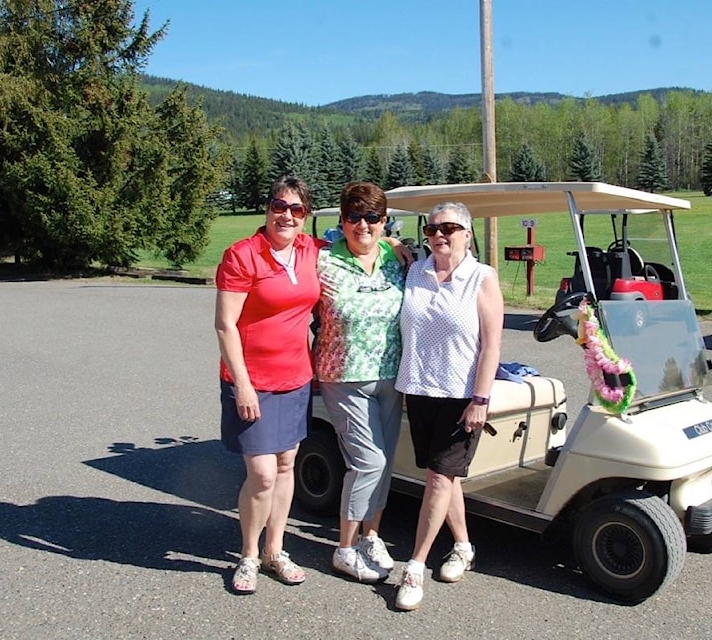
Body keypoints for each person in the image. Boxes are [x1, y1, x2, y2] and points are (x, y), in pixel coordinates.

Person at [214, 175, 327, 594]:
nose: (287, 215)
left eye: (296, 210)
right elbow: (225, 325)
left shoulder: (311, 251)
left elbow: (360, 249)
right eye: (280, 206)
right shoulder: (243, 255)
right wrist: (242, 385)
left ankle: (274, 550)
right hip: (252, 379)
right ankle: (247, 554)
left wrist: (397, 247)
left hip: (295, 377)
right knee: (261, 473)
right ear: (268, 209)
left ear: (305, 216)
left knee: (285, 466)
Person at [393, 201, 504, 611]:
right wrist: (390, 239)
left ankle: (414, 567)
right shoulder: (415, 271)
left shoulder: (482, 277)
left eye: (449, 228)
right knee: (444, 476)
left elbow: (492, 344)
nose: (439, 235)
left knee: (438, 479)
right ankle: (462, 546)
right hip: (420, 390)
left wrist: (481, 398)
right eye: (432, 229)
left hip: (461, 397)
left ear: (468, 233)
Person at [314, 181, 406, 583]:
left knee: (384, 463)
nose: (363, 226)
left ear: (384, 222)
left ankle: (372, 536)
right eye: (354, 218)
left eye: (372, 218)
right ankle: (345, 549)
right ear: (342, 221)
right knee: (368, 462)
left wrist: (398, 246)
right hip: (344, 375)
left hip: (391, 375)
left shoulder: (396, 259)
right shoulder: (322, 262)